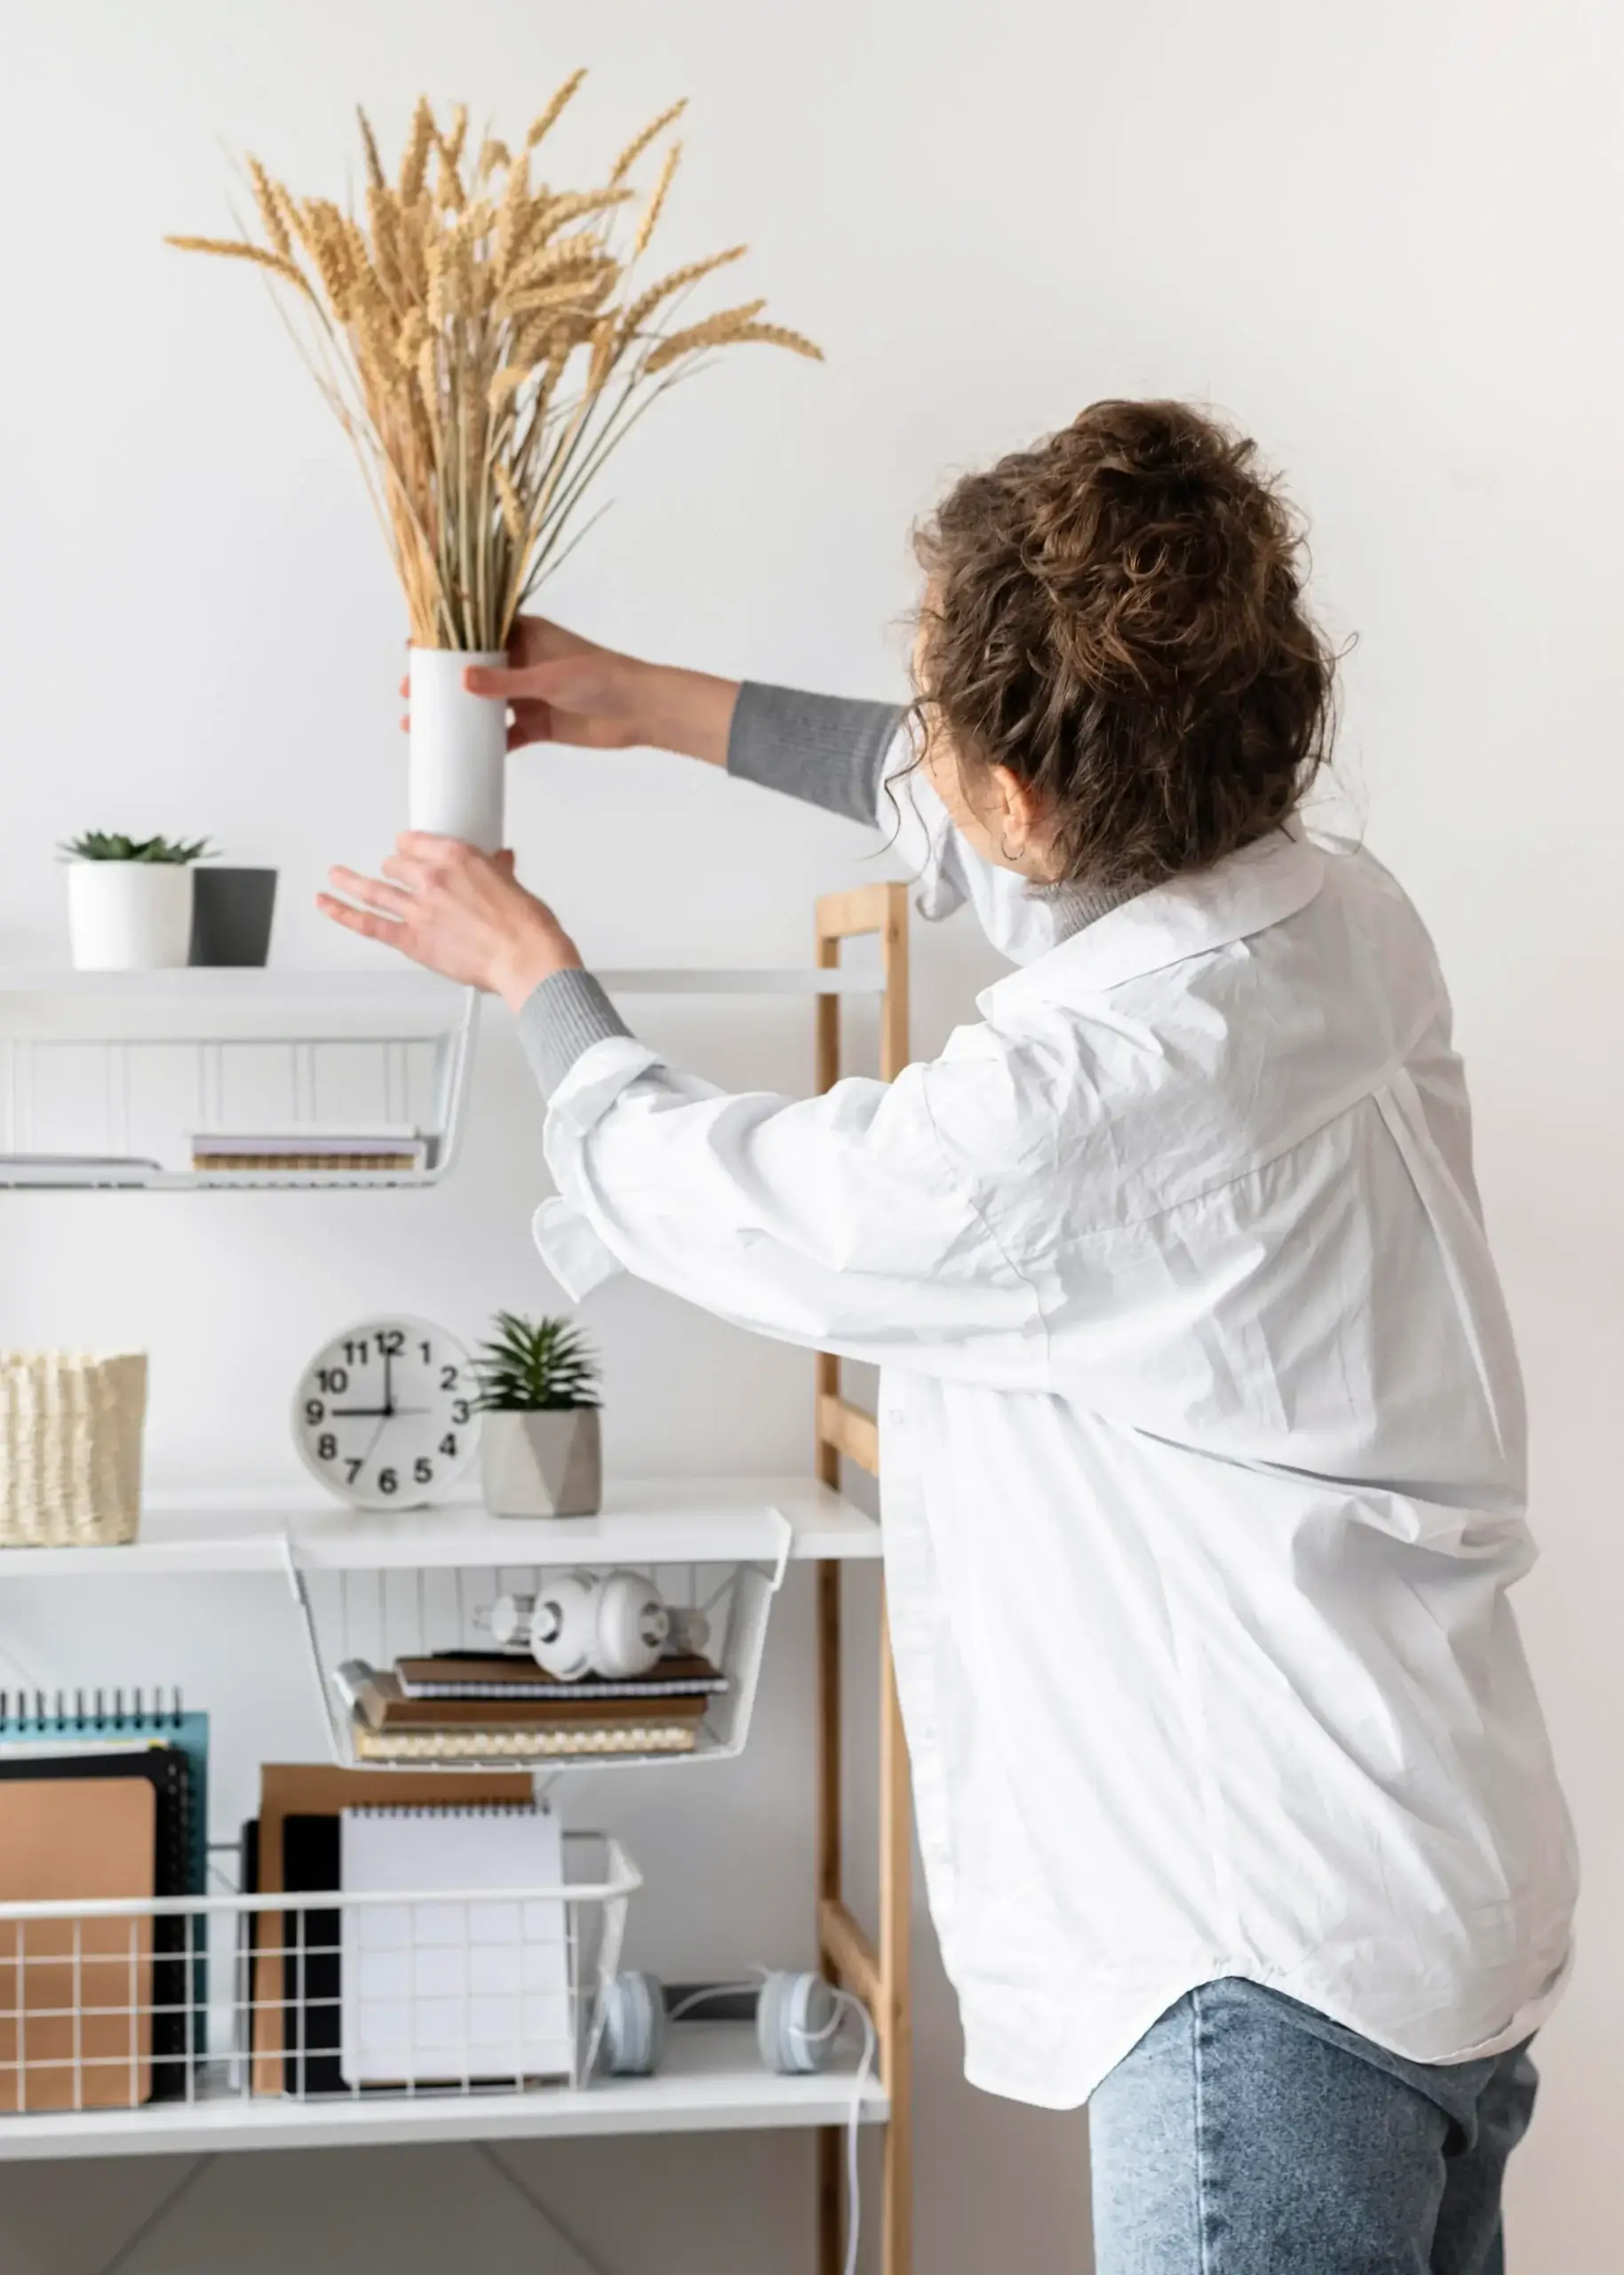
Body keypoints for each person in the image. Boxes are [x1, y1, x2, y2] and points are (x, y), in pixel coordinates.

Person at [319, 399, 1576, 2274]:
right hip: (1429, 1885)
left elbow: (733, 1191)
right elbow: (981, 809)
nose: (917, 747)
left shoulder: (1073, 1100)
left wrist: (534, 975)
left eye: (938, 716)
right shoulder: (1331, 915)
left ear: (1029, 794)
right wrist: (650, 699)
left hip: (1257, 1965)